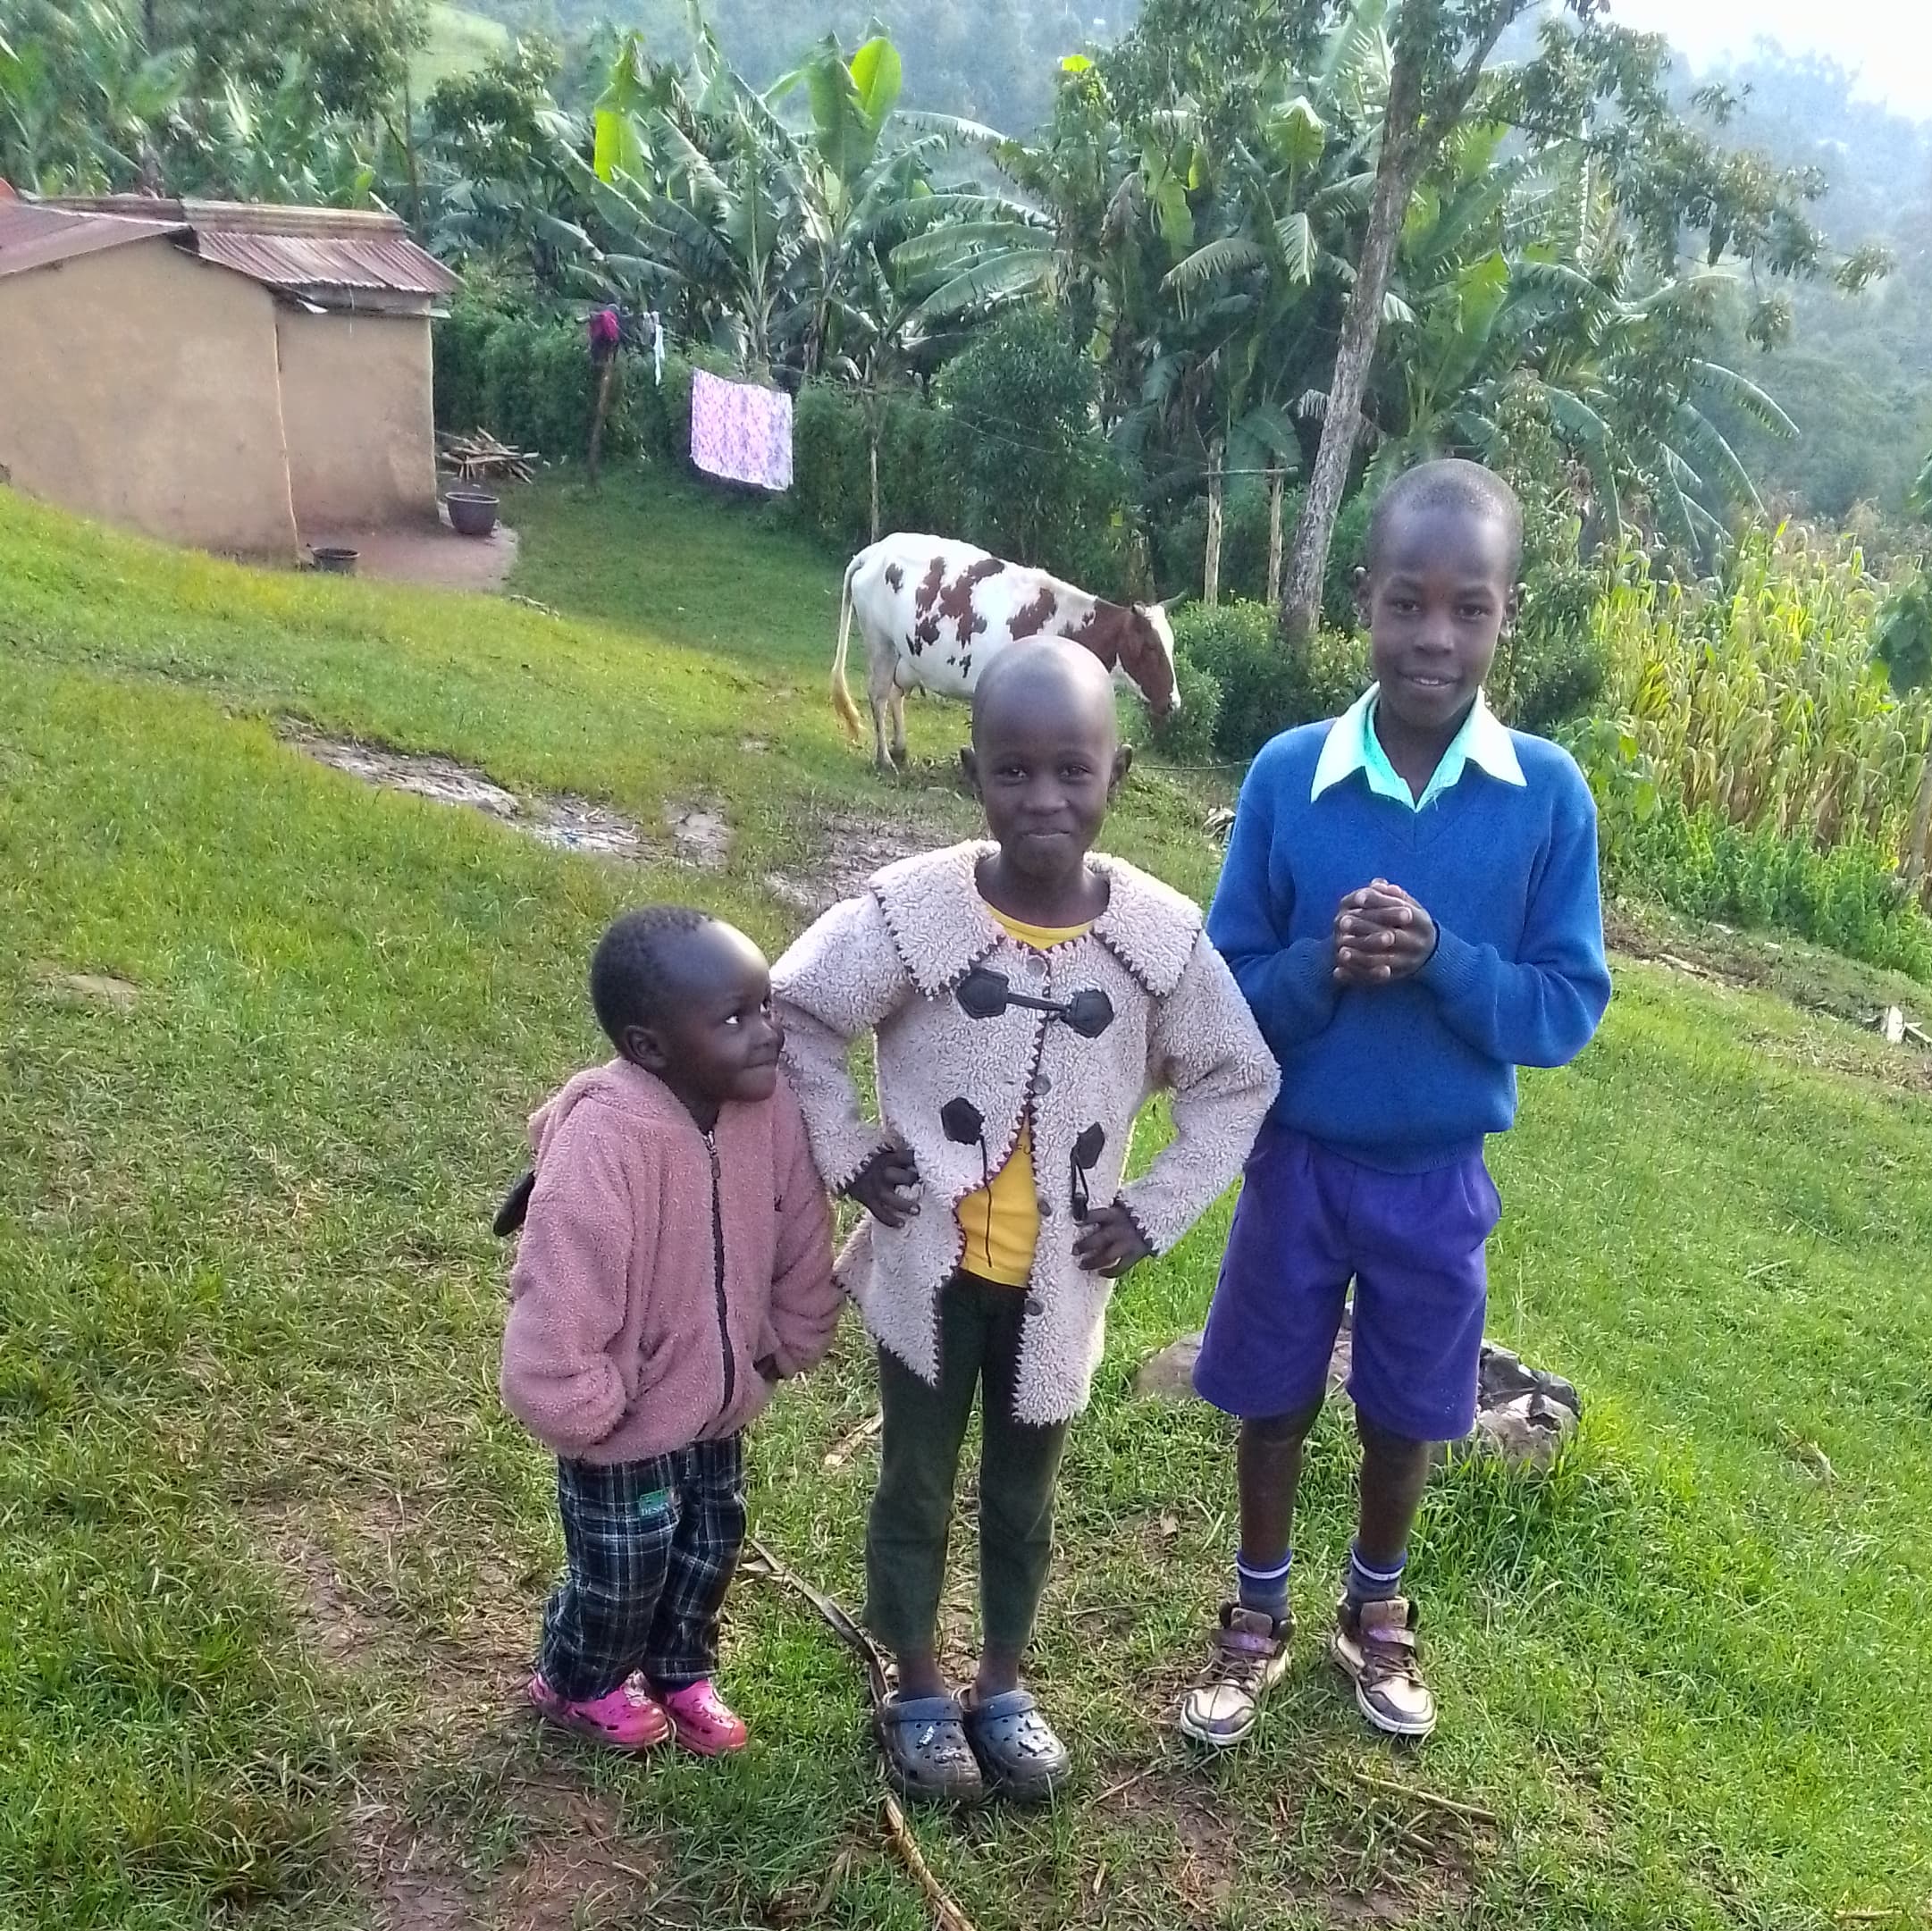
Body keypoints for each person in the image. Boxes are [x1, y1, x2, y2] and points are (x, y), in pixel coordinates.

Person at [774, 636, 1276, 1806]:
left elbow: (1237, 1078)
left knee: (1021, 1493)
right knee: (914, 1479)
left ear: (1121, 778)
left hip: (1059, 1286)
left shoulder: (1158, 944)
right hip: (925, 1275)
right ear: (970, 776)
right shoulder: (915, 915)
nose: (1042, 798)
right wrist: (847, 1150)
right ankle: (913, 1681)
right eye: (1012, 772)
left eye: (1072, 771)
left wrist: (1153, 1212)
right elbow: (797, 1014)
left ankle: (1001, 1680)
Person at [1180, 459, 1610, 1749]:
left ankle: (1374, 1612)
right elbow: (1222, 988)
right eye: (1407, 604)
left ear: (1504, 618)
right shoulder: (1289, 776)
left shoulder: (1547, 796)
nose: (1434, 637)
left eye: (1468, 609)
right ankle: (1254, 1614)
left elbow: (1563, 1007)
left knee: (1411, 1405)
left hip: (1435, 1175)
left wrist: (1442, 963)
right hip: (1297, 1159)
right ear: (1361, 602)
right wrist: (1323, 965)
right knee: (1273, 1391)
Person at [500, 907, 840, 1755]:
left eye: (766, 1006)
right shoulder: (605, 1141)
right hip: (623, 1423)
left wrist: (784, 1339)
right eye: (735, 1019)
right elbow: (561, 1285)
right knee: (622, 1570)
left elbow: (802, 1228)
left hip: (720, 1406)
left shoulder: (768, 1110)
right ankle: (577, 1681)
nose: (767, 1034)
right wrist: (586, 1405)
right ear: (650, 1047)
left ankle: (680, 1668)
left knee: (704, 1549)